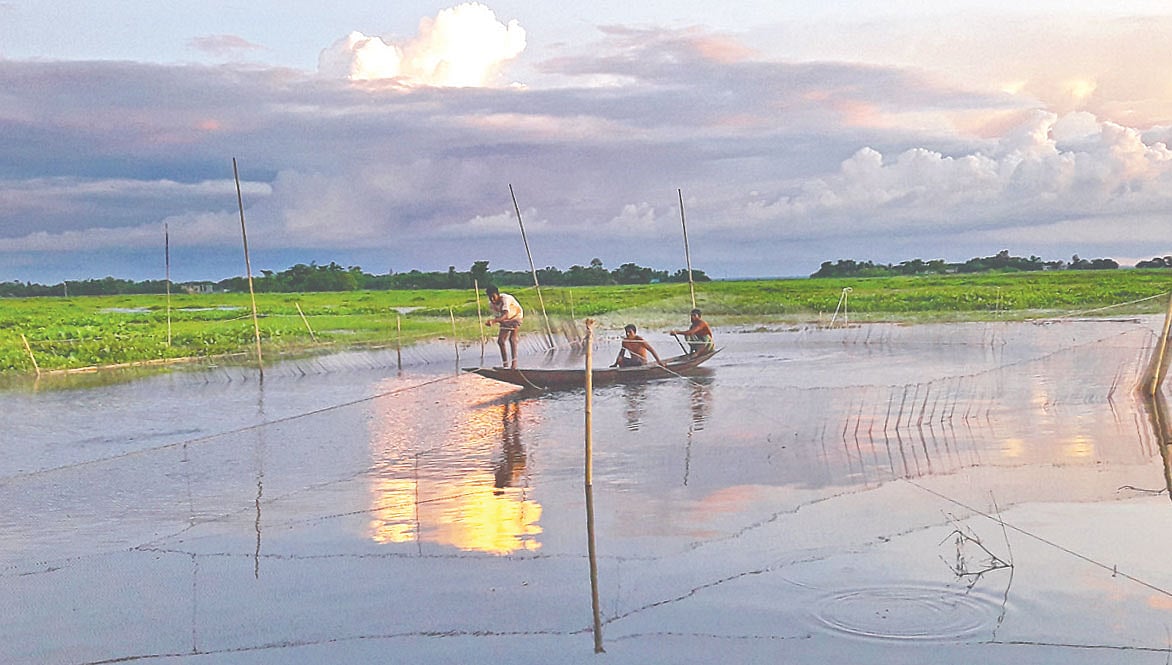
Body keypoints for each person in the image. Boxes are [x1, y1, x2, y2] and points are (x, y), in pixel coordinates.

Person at [485, 285, 523, 368]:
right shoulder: (491, 305)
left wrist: (494, 321)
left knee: (512, 339)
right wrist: (494, 321)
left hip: (516, 316)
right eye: (490, 297)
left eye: (493, 297)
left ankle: (514, 364)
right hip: (505, 319)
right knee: (501, 341)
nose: (492, 299)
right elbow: (499, 316)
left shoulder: (505, 299)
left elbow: (505, 314)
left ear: (498, 295)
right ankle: (505, 364)